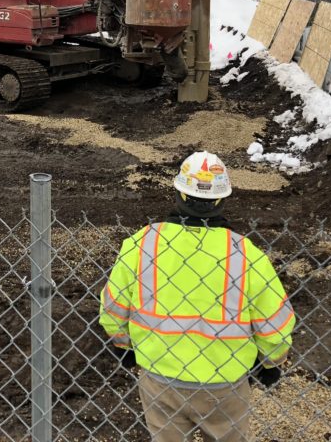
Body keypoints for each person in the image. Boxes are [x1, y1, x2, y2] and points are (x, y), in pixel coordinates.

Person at [99, 151, 295, 442]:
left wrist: (124, 348)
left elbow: (113, 311)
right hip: (224, 386)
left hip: (159, 378)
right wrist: (269, 366)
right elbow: (275, 328)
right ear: (221, 200)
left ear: (179, 191)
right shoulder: (246, 254)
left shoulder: (142, 244)